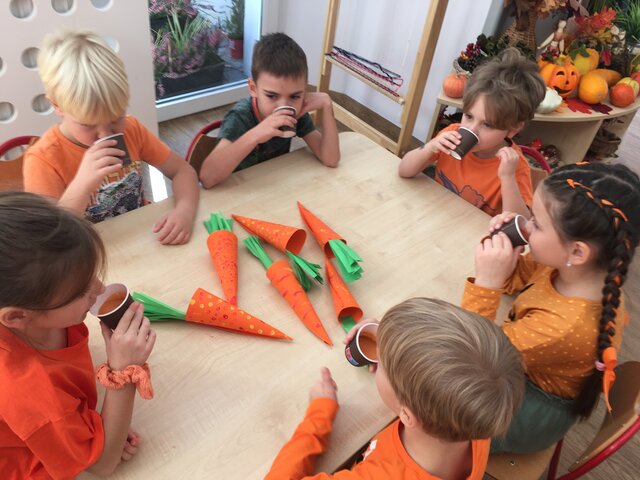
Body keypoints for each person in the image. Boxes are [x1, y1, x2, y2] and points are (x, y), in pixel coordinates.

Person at [462, 162, 640, 453]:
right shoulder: (572, 268)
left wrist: (485, 285)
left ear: (577, 251)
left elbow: (469, 360)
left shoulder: (566, 326)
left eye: (536, 223)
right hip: (512, 363)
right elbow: (514, 279)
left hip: (522, 411)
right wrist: (505, 248)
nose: (526, 226)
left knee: (422, 399)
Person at [265, 297, 525, 479]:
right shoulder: (477, 414)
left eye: (383, 362)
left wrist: (320, 412)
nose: (379, 356)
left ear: (408, 415)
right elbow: (462, 361)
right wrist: (397, 341)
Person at [0, 192, 157, 477]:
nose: (100, 289)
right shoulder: (31, 392)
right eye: (81, 290)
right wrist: (123, 372)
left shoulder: (36, 313)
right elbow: (103, 466)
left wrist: (100, 426)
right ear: (18, 316)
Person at [23, 30, 199, 245]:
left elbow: (183, 171)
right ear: (56, 105)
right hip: (85, 251)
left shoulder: (132, 129)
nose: (106, 135)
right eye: (88, 125)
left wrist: (184, 211)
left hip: (140, 236)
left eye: (116, 119)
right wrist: (82, 184)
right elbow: (50, 239)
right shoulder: (43, 160)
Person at [399, 48, 546, 218]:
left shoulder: (514, 166)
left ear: (513, 129)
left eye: (488, 125)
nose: (471, 129)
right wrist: (430, 147)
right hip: (435, 214)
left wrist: (507, 177)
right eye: (468, 116)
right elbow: (404, 170)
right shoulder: (452, 134)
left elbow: (520, 223)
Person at [198, 32, 340, 188]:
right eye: (272, 96)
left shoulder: (296, 114)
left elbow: (330, 159)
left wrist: (326, 104)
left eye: (294, 96)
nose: (283, 106)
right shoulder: (240, 117)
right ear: (253, 88)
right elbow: (207, 177)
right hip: (238, 192)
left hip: (272, 188)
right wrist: (256, 134)